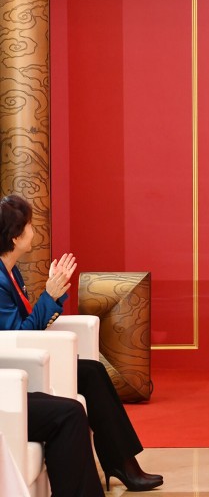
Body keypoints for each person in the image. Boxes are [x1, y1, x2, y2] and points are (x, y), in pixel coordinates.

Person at [0, 194, 163, 491]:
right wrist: (49, 296)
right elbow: (17, 336)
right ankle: (121, 463)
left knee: (93, 371)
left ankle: (121, 461)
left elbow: (29, 324)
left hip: (28, 358)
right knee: (80, 392)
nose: (34, 231)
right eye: (30, 225)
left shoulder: (11, 271)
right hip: (17, 366)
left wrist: (55, 293)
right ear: (14, 237)